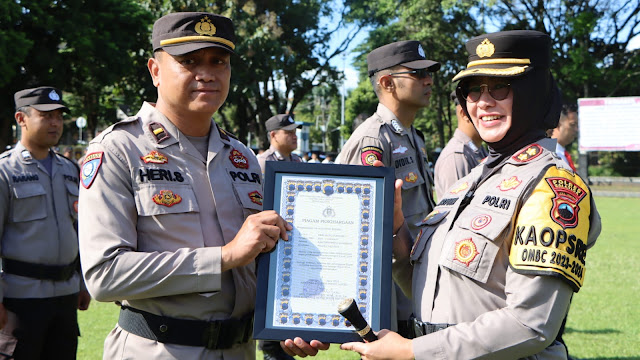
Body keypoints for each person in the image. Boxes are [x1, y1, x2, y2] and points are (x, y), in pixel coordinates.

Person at [285, 30, 602, 360]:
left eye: (500, 87)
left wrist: (412, 350)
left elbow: (531, 325)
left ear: (532, 92)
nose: (483, 102)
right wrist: (395, 236)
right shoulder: (469, 181)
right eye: (473, 90)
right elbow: (434, 285)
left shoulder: (552, 187)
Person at [78, 12, 290, 359]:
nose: (206, 73)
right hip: (158, 350)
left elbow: (266, 259)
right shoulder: (119, 149)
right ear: (156, 71)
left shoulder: (243, 157)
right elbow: (104, 275)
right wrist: (223, 258)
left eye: (218, 61)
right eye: (189, 61)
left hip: (238, 349)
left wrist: (293, 322)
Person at [335, 40, 440, 337]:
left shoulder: (410, 136)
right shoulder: (373, 139)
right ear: (387, 82)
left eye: (429, 73)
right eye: (417, 74)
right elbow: (365, 231)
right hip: (392, 294)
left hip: (415, 280)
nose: (428, 80)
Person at [0, 86, 91, 359]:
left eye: (59, 117)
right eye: (45, 115)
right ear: (21, 119)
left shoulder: (70, 170)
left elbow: (79, 230)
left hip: (65, 296)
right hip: (20, 299)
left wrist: (83, 282)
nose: (55, 123)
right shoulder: (5, 171)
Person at [256, 113, 302, 360]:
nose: (294, 135)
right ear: (273, 135)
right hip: (271, 243)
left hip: (294, 241)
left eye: (295, 131)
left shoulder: (298, 159)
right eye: (289, 131)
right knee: (271, 298)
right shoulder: (261, 163)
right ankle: (271, 350)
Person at [433, 90, 488, 200]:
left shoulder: (478, 149)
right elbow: (456, 212)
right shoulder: (456, 157)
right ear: (464, 114)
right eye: (482, 110)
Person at [549, 104, 579, 171]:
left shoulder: (562, 153)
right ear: (557, 124)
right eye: (572, 125)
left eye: (577, 125)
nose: (576, 129)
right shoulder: (551, 155)